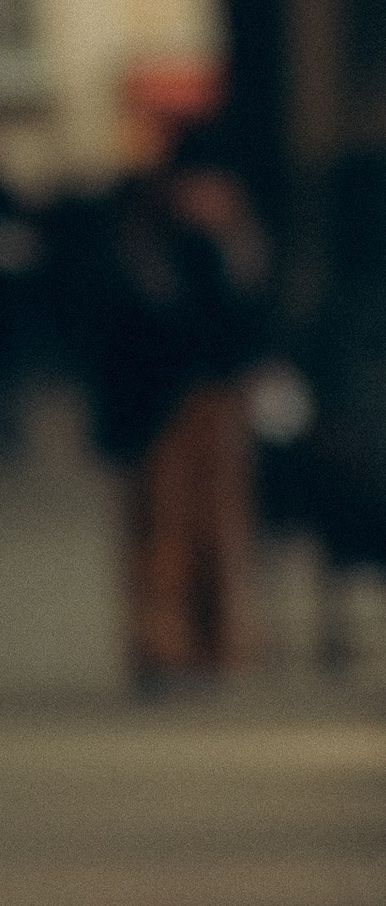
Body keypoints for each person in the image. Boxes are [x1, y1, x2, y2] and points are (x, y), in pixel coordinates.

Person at [80, 120, 272, 683]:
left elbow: (247, 324)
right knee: (159, 529)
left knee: (220, 525)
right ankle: (159, 642)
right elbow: (122, 329)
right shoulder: (144, 245)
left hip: (218, 401)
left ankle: (214, 642)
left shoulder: (236, 244)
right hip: (156, 404)